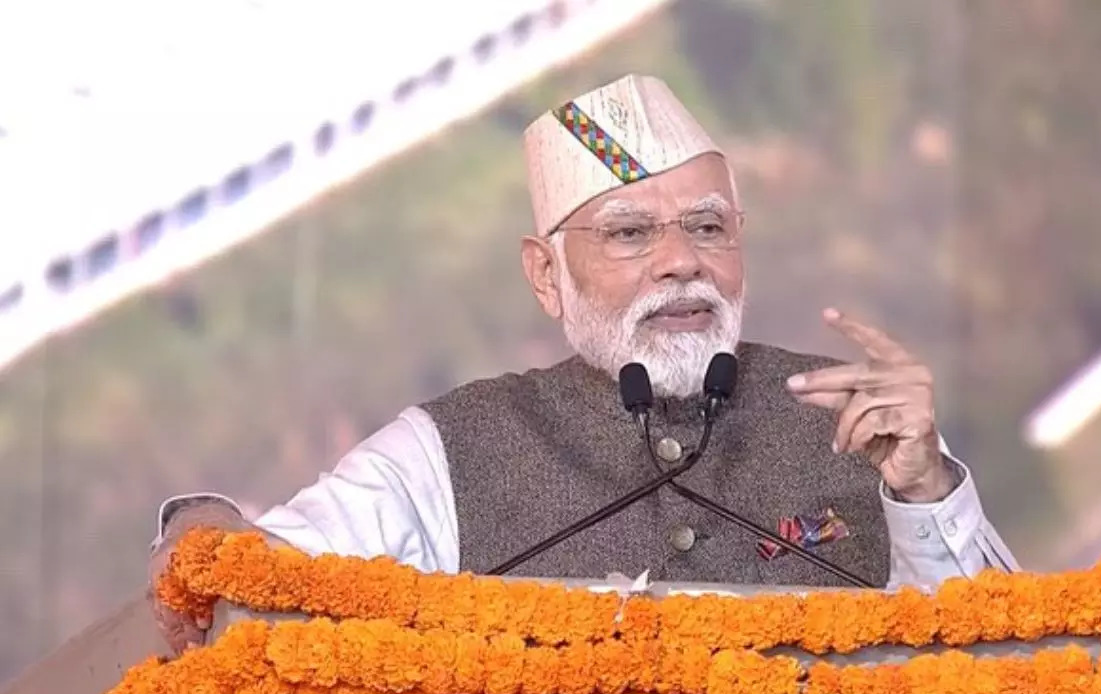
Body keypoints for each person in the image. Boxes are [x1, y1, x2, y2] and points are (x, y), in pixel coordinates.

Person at [149, 74, 1017, 653]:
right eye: (631, 233)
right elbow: (265, 568)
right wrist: (201, 533)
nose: (682, 262)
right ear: (545, 274)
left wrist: (925, 490)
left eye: (707, 227)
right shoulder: (454, 452)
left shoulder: (854, 418)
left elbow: (1007, 661)